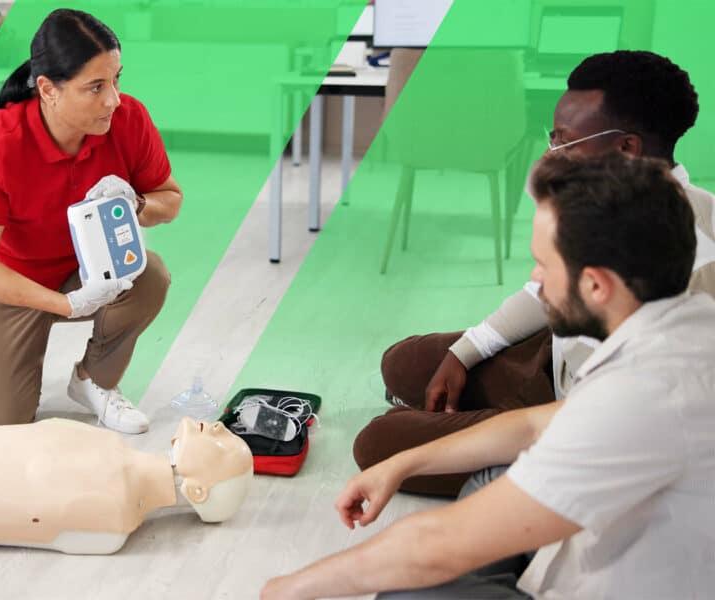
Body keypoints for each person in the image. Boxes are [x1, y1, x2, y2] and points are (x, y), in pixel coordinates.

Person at [262, 153, 715, 600]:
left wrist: (287, 589)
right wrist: (403, 464)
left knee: (408, 590)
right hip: (601, 537)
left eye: (545, 265)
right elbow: (536, 423)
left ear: (596, 285)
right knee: (491, 476)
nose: (536, 281)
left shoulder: (642, 395)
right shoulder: (688, 322)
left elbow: (436, 549)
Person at [354, 50, 715, 496]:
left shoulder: (687, 253)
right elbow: (544, 292)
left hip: (585, 416)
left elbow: (622, 418)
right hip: (554, 359)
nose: (551, 152)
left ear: (626, 148)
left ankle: (508, 467)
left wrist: (509, 444)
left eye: (565, 140)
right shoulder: (608, 203)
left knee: (378, 443)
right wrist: (466, 352)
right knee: (403, 363)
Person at [0, 9, 182, 432]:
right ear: (48, 89)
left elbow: (171, 200)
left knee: (151, 276)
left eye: (116, 80)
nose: (113, 98)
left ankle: (93, 379)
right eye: (95, 87)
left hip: (87, 268)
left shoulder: (128, 119)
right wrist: (66, 304)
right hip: (8, 284)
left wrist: (137, 202)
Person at [0, 417, 252, 554]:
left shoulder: (115, 512)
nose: (221, 426)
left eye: (223, 446)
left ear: (197, 491)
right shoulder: (113, 450)